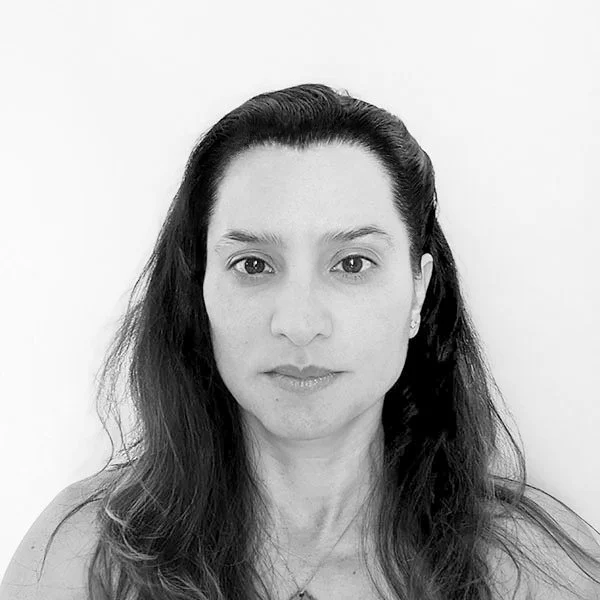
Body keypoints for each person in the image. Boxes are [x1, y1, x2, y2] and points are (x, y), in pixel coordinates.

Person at [1, 83, 599, 600]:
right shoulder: (80, 559)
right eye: (254, 265)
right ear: (200, 288)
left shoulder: (536, 570)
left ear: (418, 292)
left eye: (352, 264)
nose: (299, 322)